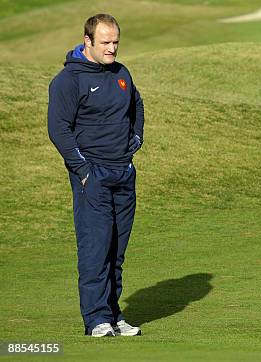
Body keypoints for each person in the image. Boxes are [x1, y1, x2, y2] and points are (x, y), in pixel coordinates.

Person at [48, 14, 144, 337]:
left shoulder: (121, 74)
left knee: (116, 252)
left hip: (123, 174)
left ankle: (114, 315)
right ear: (87, 41)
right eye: (105, 42)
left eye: (116, 42)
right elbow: (59, 129)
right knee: (96, 249)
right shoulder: (68, 80)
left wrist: (136, 140)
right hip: (93, 177)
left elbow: (137, 104)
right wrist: (83, 171)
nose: (112, 48)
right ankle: (96, 320)